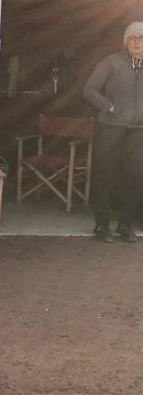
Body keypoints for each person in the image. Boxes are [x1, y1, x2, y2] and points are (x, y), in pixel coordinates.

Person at [83, 21, 143, 244]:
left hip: (139, 130)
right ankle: (102, 225)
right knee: (105, 175)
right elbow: (89, 89)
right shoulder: (111, 62)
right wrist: (110, 106)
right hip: (111, 126)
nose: (137, 41)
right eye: (132, 38)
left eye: (141, 38)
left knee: (136, 176)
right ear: (125, 41)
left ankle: (125, 225)